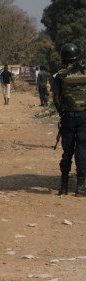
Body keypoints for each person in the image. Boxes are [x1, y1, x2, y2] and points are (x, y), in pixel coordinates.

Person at [53, 43, 86, 196]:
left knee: (67, 151)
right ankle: (80, 187)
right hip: (83, 116)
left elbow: (56, 98)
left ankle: (64, 186)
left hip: (68, 117)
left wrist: (62, 113)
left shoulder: (60, 75)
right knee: (81, 150)